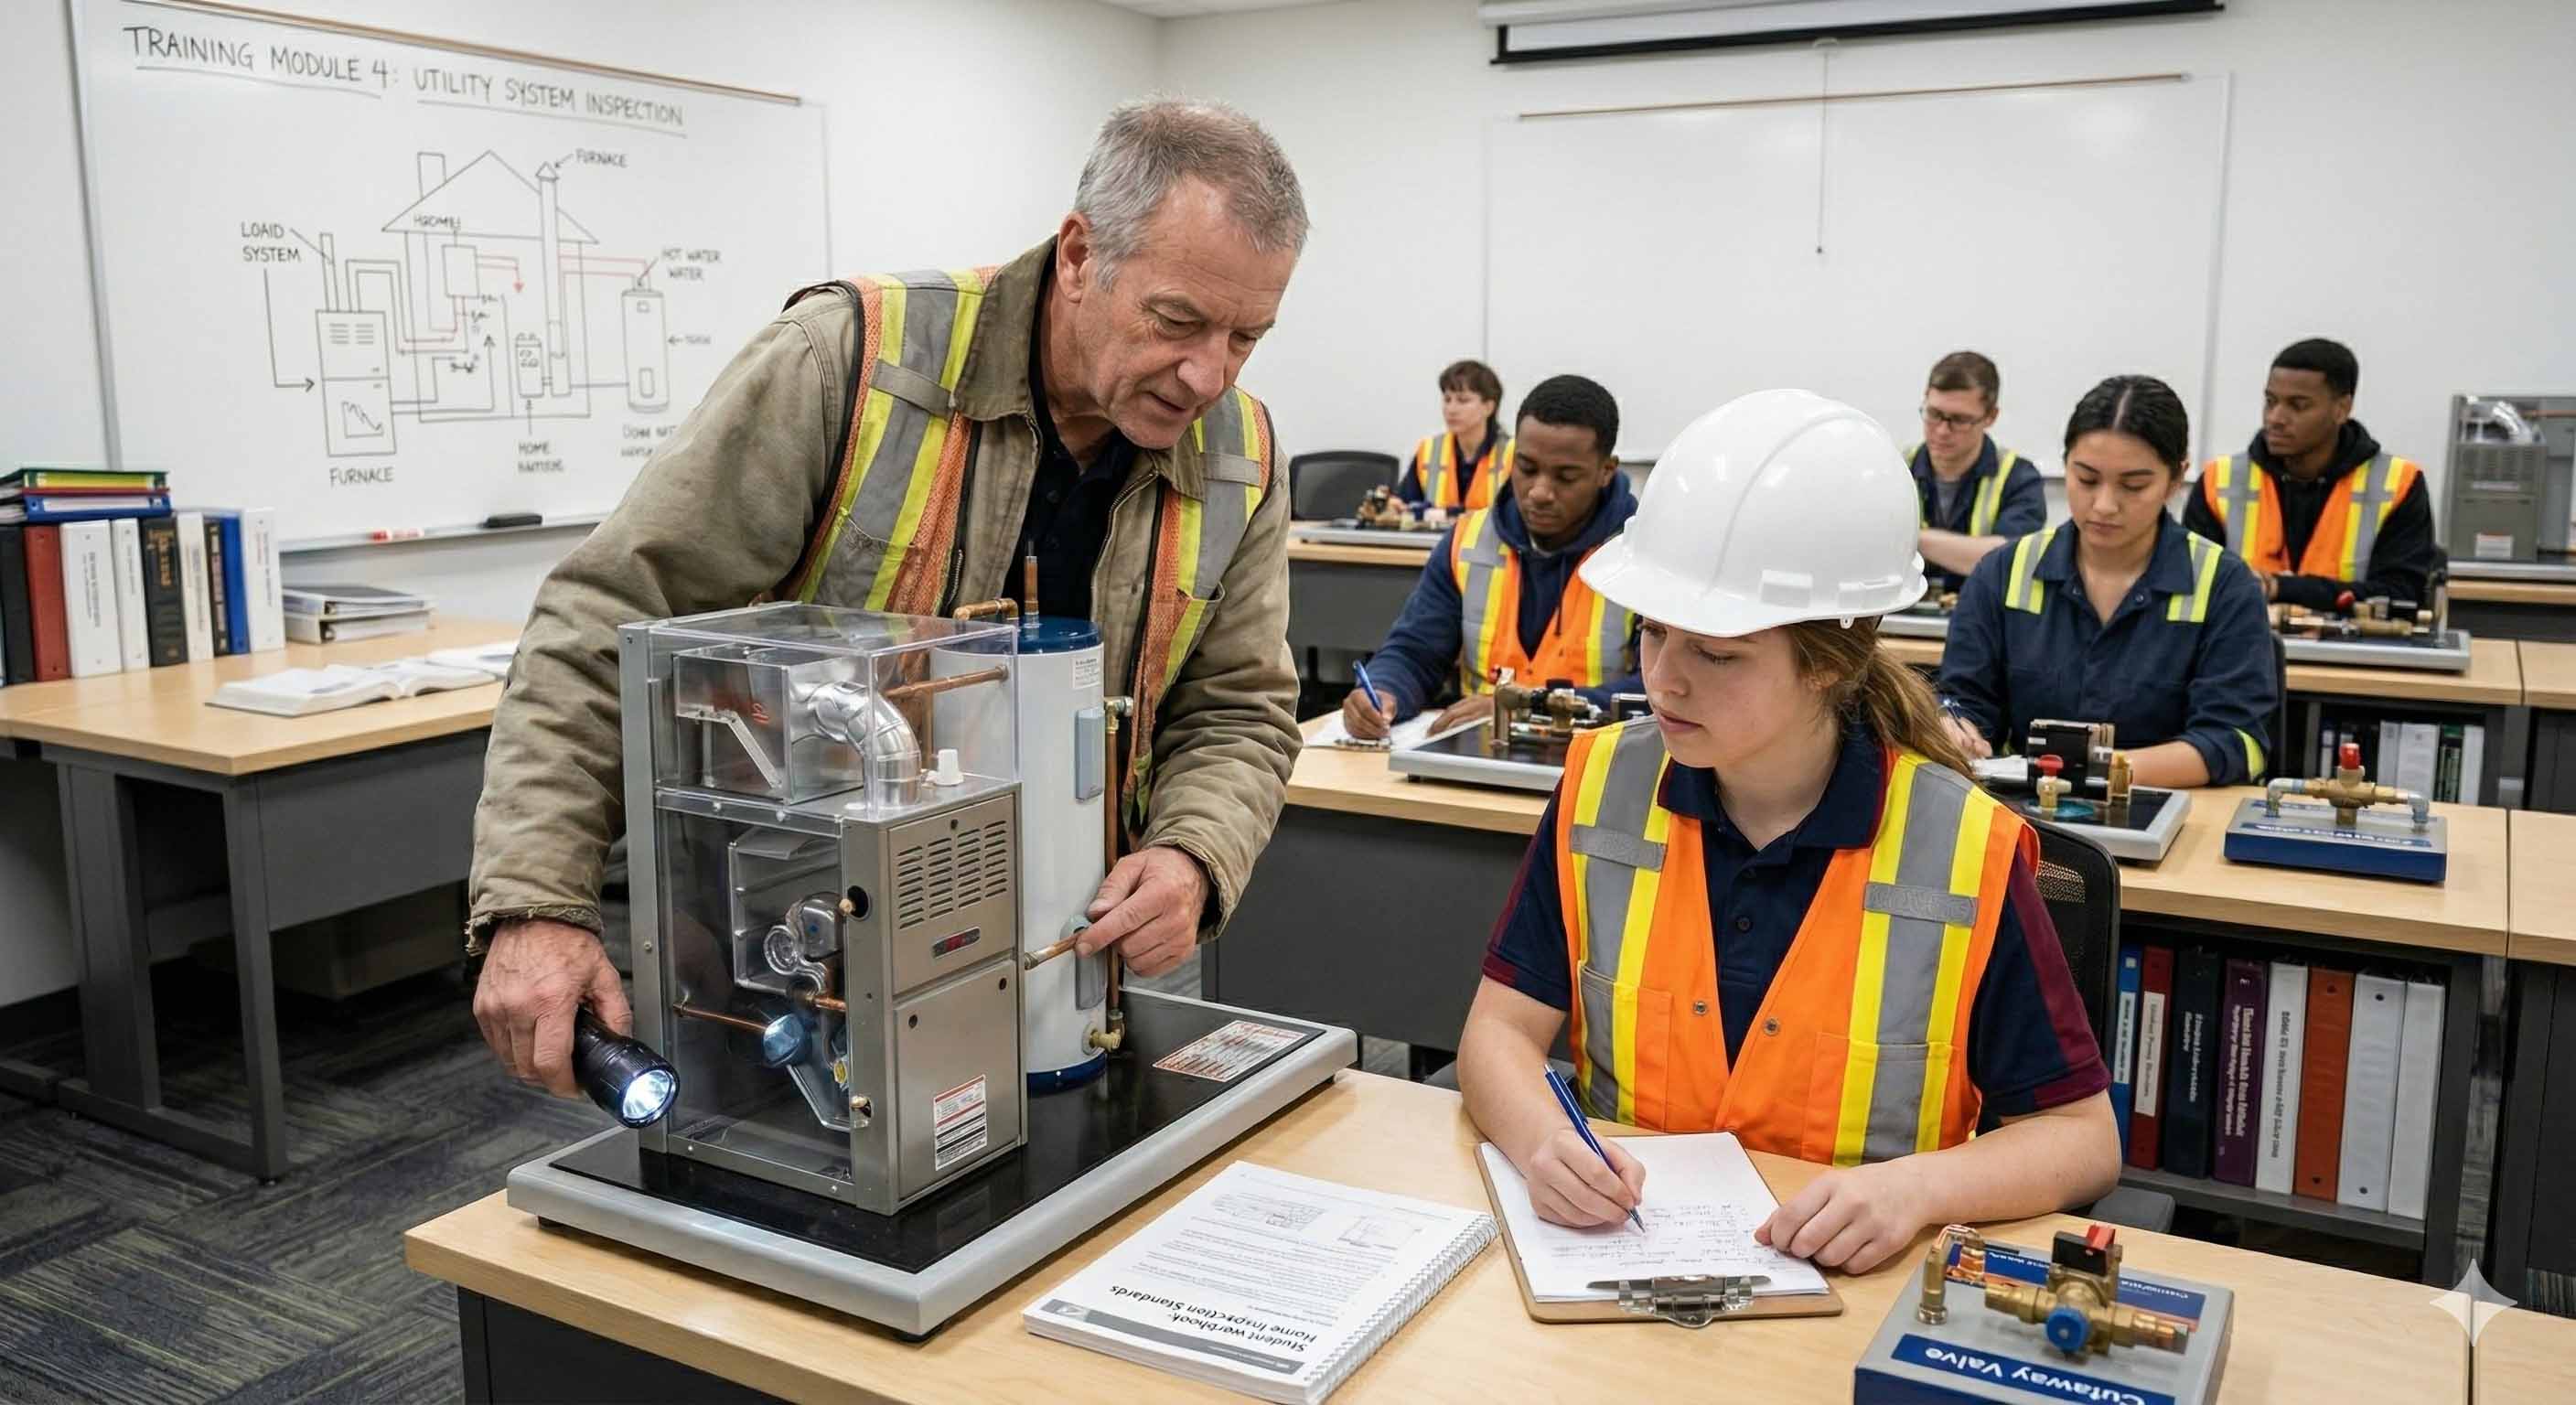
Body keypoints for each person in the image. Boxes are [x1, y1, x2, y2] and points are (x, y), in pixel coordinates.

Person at [467, 101, 1311, 1099]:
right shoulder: (848, 365)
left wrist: (1191, 857)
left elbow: (1237, 708)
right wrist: (536, 899)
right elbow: (608, 622)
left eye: (1246, 337)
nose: (1207, 374)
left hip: (1072, 967)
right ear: (1081, 256)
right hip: (808, 962)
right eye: (1176, 322)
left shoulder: (1242, 455)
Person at [1455, 389, 2120, 1275]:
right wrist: (1543, 1142)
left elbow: (2080, 1138)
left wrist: (1917, 1191)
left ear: (1828, 664)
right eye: (1653, 633)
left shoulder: (1963, 846)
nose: (1664, 680)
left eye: (1716, 653)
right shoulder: (1600, 786)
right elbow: (1496, 1035)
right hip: (1620, 1266)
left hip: (1851, 1290)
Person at [1938, 375, 2278, 788]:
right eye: (2086, 479)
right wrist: (1955, 728)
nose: (2103, 505)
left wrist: (2088, 771)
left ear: (2176, 479)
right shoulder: (2002, 573)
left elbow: (2235, 741)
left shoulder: (2225, 586)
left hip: (2173, 808)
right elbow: (1965, 700)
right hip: (2024, 811)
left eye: (2134, 486)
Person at [1342, 375, 1638, 740]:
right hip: (1482, 752)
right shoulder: (1467, 541)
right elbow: (1415, 652)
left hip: (1597, 756)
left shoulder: (1644, 554)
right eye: (1526, 468)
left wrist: (1528, 707)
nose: (1540, 492)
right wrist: (1383, 691)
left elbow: (1659, 691)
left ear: (1606, 471)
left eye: (1566, 477)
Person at [2184, 338, 2437, 609]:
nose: (2275, 418)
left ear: (2342, 409)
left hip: (2353, 637)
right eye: (2270, 401)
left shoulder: (2397, 484)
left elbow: (2401, 597)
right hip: (2240, 635)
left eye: (2298, 405)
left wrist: (2281, 588)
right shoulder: (2220, 480)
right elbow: (2189, 585)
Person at [1909, 350, 2045, 593]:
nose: (1942, 430)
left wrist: (1909, 539)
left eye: (1960, 420)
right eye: (1934, 414)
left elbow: (2008, 558)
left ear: (1991, 416)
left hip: (1986, 612)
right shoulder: (1895, 469)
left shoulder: (2020, 477)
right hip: (1903, 611)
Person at [1398, 359, 1511, 512]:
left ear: (1488, 407)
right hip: (1436, 529)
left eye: (1463, 400)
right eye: (1447, 400)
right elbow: (1405, 502)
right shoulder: (1430, 450)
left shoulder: (1513, 453)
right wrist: (1395, 507)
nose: (1451, 409)